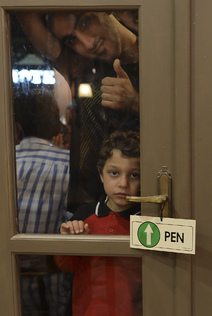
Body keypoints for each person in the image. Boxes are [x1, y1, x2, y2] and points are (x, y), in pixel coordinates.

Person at [17, 11, 140, 204]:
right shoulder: (82, 64)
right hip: (92, 208)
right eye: (72, 40)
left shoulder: (160, 52)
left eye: (85, 23)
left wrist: (136, 102)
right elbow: (25, 13)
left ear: (106, 8)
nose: (87, 43)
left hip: (147, 199)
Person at [54, 130, 143, 316]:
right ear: (101, 172)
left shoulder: (149, 223)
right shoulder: (84, 217)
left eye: (134, 175)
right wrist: (68, 239)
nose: (124, 184)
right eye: (114, 173)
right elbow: (65, 266)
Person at [14, 90, 73, 316]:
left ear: (18, 127)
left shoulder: (7, 161)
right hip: (52, 291)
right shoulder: (66, 163)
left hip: (11, 285)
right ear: (55, 123)